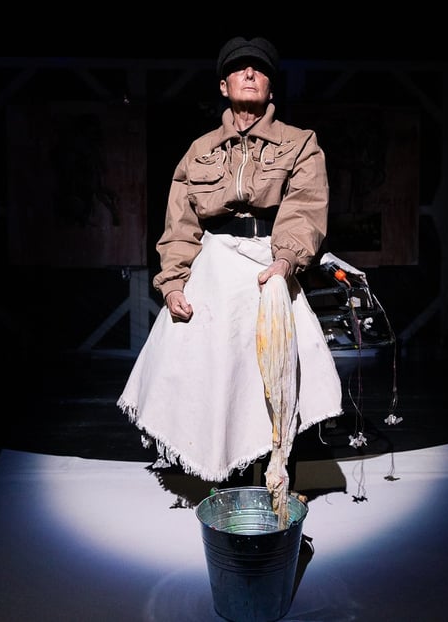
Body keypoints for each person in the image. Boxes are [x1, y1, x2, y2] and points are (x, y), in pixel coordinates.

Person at [117, 36, 343, 487]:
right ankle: (219, 484)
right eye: (240, 68)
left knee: (275, 372)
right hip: (215, 265)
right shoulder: (199, 150)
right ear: (223, 86)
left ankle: (274, 484)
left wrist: (285, 264)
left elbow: (304, 209)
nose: (250, 73)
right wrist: (174, 284)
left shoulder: (300, 144)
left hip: (268, 264)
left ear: (271, 88)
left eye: (259, 69)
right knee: (207, 372)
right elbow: (180, 224)